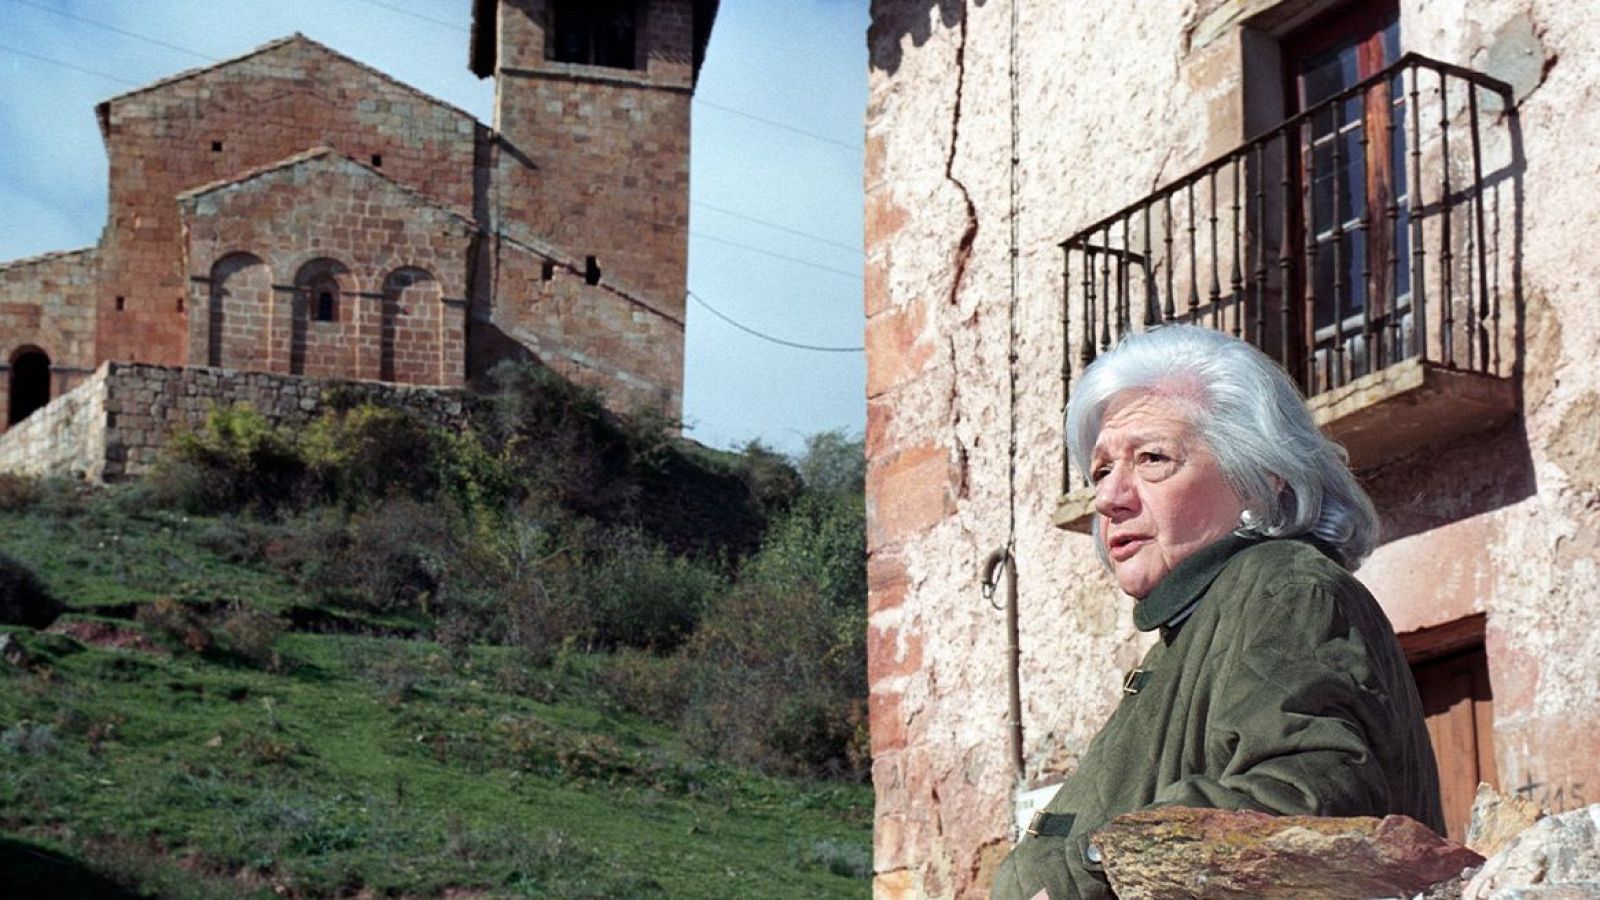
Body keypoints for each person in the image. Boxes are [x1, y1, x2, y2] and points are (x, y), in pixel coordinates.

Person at [991, 324, 1443, 900]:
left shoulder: (1286, 588)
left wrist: (1082, 871)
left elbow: (1305, 802)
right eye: (1102, 471)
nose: (1107, 497)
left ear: (1259, 479)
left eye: (1152, 458)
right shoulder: (1200, 622)